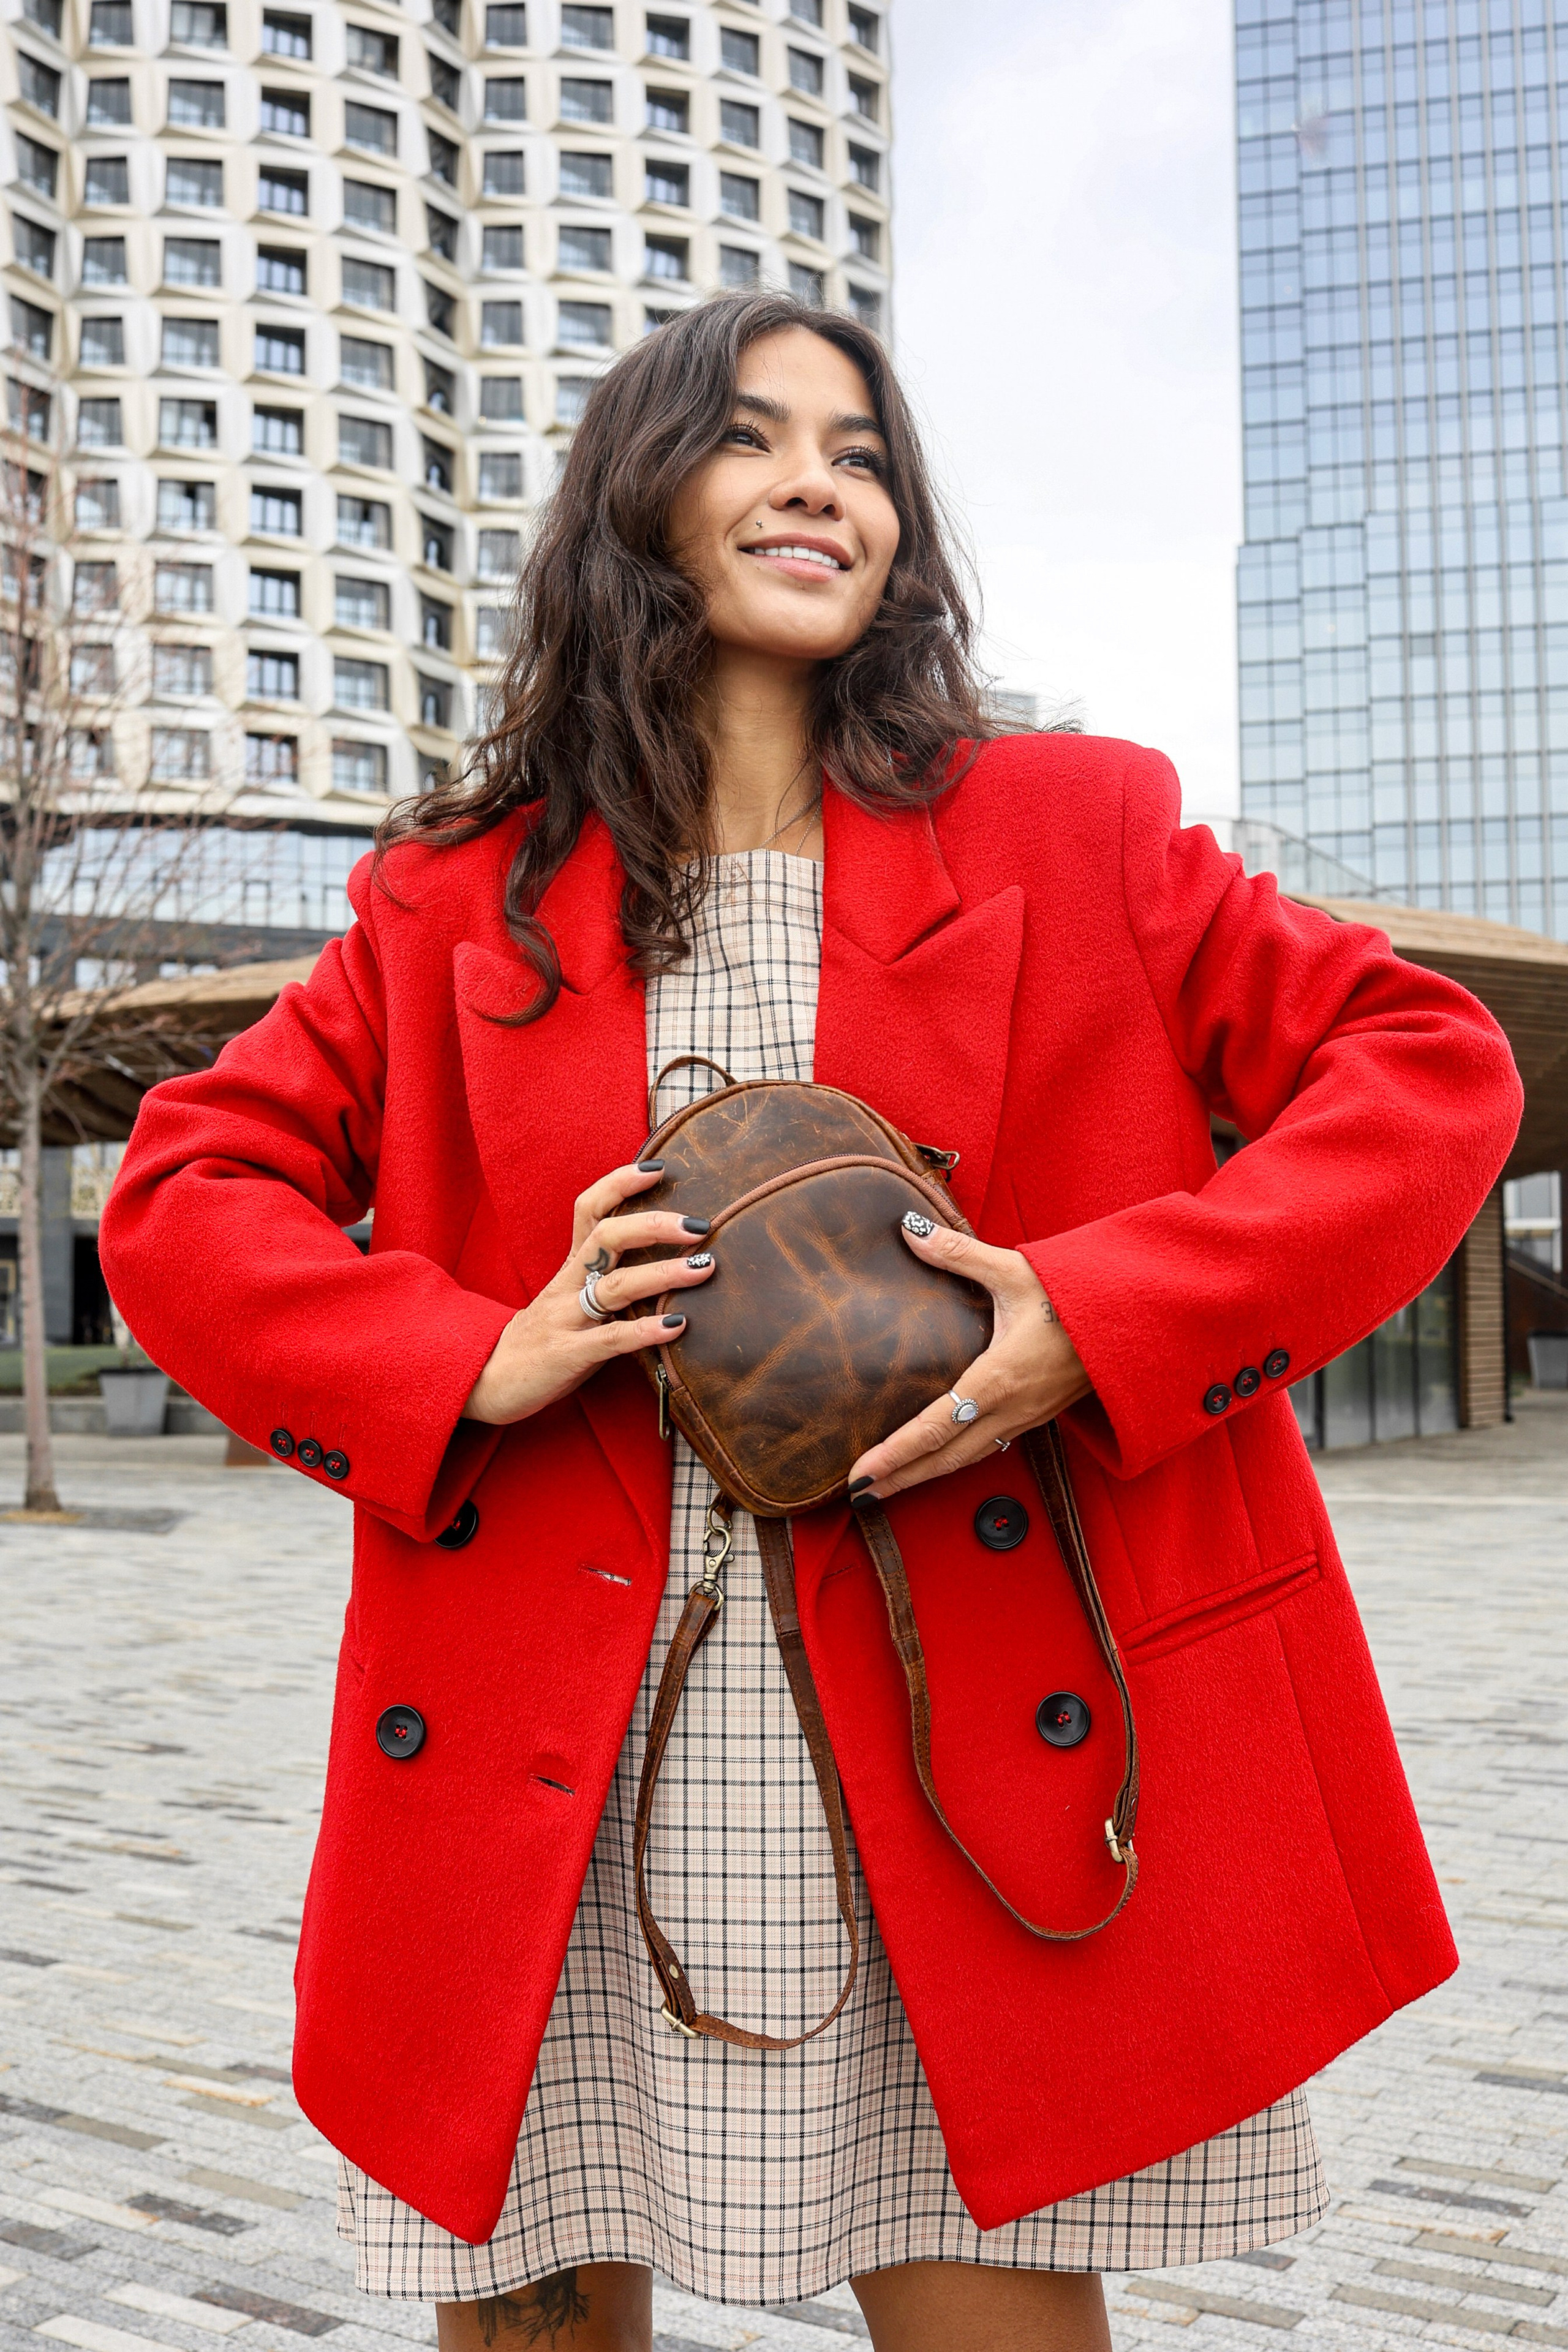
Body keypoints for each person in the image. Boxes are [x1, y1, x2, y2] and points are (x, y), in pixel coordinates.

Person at [100, 293, 1522, 2352]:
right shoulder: (456, 898)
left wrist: (1092, 1319)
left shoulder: (1078, 825)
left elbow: (1425, 1067)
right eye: (757, 438)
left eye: (860, 455)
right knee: (528, 2315)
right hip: (557, 1745)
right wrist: (467, 1353)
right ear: (637, 504)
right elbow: (180, 1194)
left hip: (955, 1703)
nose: (817, 485)